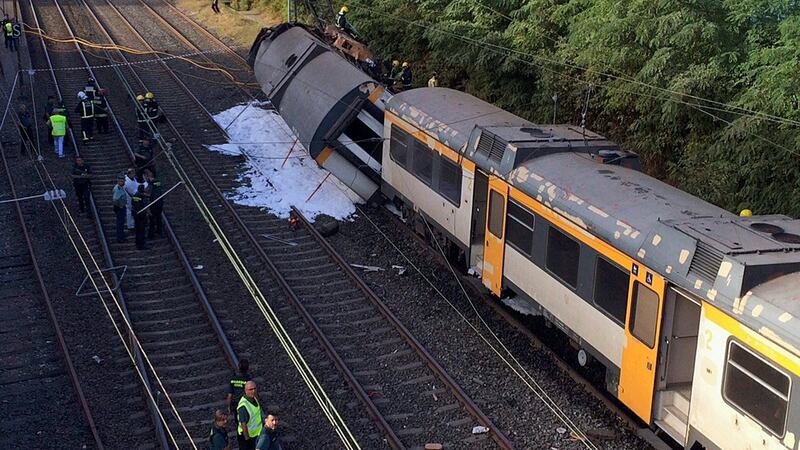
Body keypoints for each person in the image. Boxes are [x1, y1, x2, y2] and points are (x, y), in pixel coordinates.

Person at [237, 381, 262, 450]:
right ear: (245, 391)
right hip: (248, 437)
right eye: (250, 389)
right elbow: (243, 424)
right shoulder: (243, 407)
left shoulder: (254, 398)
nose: (253, 391)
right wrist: (247, 439)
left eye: (254, 388)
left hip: (257, 434)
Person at [131, 184, 149, 250]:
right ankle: (141, 245)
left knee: (137, 230)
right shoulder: (143, 197)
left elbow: (132, 204)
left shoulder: (135, 196)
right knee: (142, 231)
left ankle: (137, 243)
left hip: (136, 215)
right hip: (142, 216)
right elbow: (144, 206)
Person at [145, 170, 163, 238]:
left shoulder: (151, 183)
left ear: (149, 177)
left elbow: (147, 191)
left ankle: (151, 235)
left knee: (152, 219)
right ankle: (159, 231)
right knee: (158, 217)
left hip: (153, 203)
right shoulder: (158, 182)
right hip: (160, 202)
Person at [112, 174, 127, 243]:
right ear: (118, 181)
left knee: (121, 222)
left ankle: (121, 236)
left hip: (121, 207)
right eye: (121, 181)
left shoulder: (121, 187)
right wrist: (119, 206)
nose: (122, 182)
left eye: (123, 181)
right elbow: (115, 200)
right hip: (120, 208)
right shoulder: (117, 189)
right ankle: (120, 238)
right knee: (120, 223)